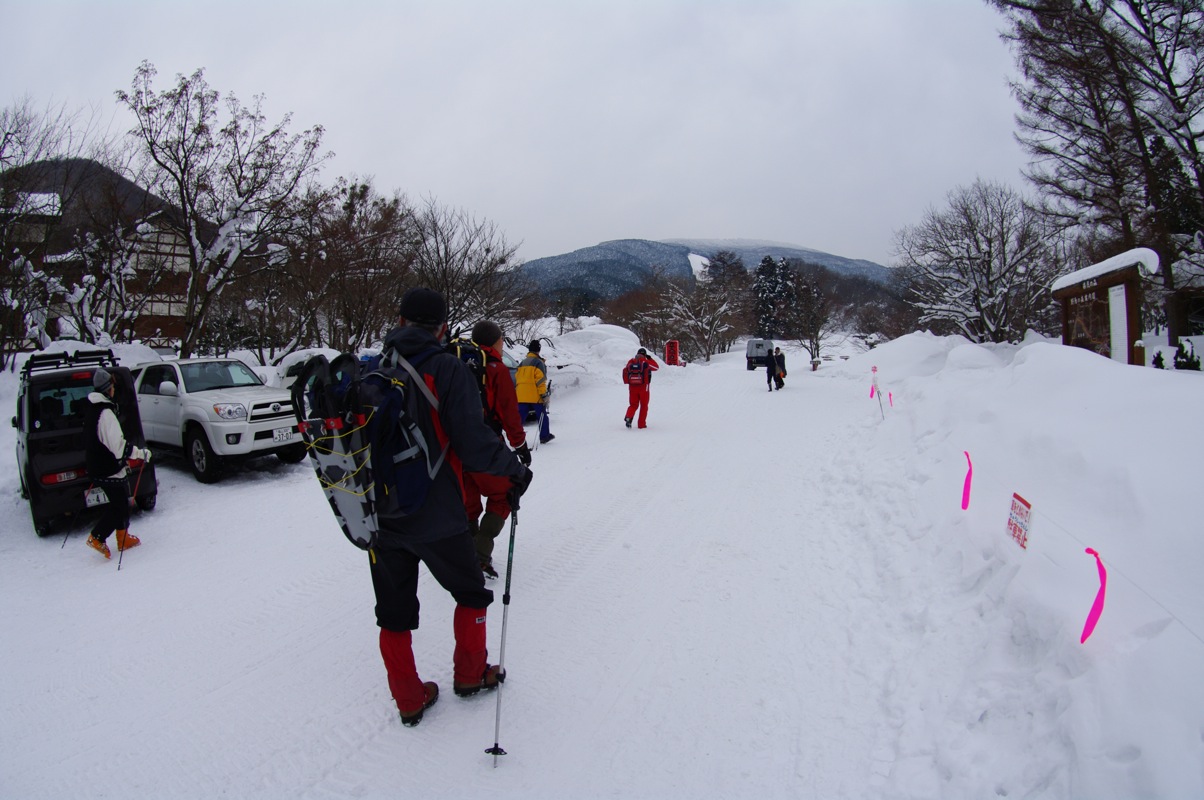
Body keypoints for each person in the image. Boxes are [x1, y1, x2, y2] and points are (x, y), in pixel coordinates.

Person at [370, 288, 533, 727]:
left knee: (394, 611)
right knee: (472, 593)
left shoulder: (376, 366)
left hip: (379, 514)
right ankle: (470, 674)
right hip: (437, 513)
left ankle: (408, 698)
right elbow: (475, 444)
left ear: (400, 320)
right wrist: (514, 471)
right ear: (442, 327)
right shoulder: (447, 368)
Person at [462, 320, 531, 580]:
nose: (503, 344)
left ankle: (464, 553)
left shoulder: (456, 364)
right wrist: (520, 445)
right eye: (502, 339)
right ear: (493, 341)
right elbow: (508, 411)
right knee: (505, 493)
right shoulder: (495, 368)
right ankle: (479, 556)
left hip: (456, 449)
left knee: (467, 504)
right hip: (485, 447)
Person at [83, 367, 150, 559]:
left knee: (122, 499)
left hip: (101, 465)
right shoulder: (105, 414)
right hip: (107, 467)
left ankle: (123, 537)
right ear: (107, 389)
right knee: (119, 505)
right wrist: (140, 453)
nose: (114, 388)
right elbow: (118, 446)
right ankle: (97, 537)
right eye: (112, 385)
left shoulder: (93, 409)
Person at [515, 339, 554, 444]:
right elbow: (540, 381)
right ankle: (544, 436)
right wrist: (544, 394)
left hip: (521, 396)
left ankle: (516, 438)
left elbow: (517, 378)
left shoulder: (523, 363)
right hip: (535, 396)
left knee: (519, 419)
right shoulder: (538, 363)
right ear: (538, 350)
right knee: (542, 416)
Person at [623, 347, 660, 429]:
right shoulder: (645, 361)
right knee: (644, 406)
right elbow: (656, 367)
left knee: (633, 405)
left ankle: (629, 416)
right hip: (644, 388)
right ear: (644, 354)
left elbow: (626, 371)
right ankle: (641, 424)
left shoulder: (631, 361)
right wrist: (650, 359)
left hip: (632, 387)